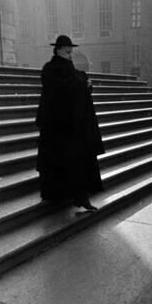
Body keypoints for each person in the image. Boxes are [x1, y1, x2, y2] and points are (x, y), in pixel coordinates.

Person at [35, 35, 105, 210]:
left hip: (69, 124)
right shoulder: (50, 69)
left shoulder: (69, 68)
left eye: (71, 51)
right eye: (67, 51)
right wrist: (83, 84)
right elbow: (60, 90)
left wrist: (86, 84)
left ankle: (78, 196)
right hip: (56, 124)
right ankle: (64, 195)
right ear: (58, 50)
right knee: (63, 159)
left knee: (73, 159)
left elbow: (75, 84)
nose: (71, 54)